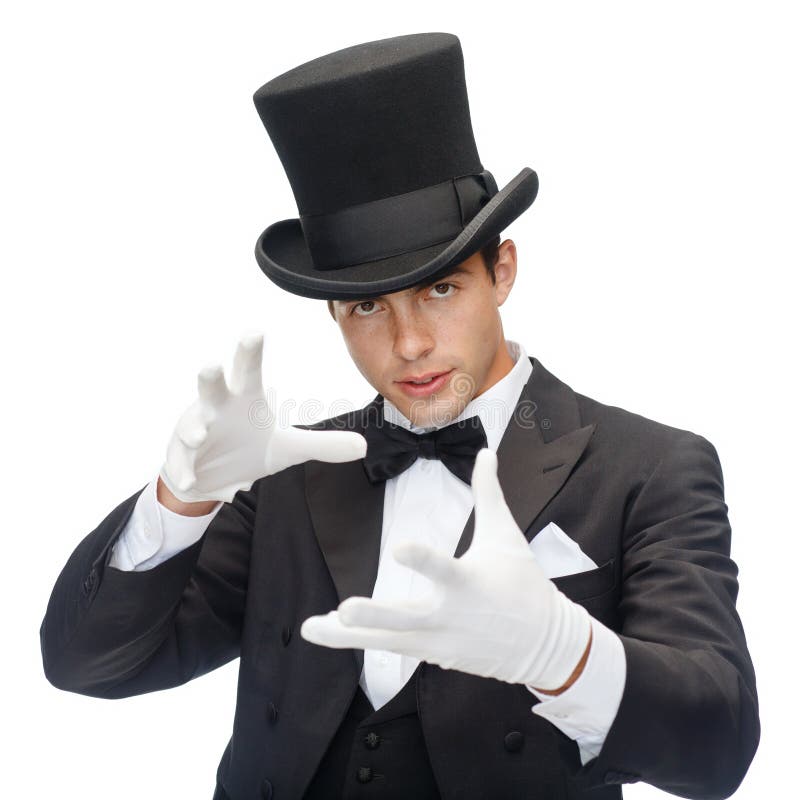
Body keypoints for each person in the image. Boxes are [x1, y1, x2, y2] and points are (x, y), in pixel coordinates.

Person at [40, 32, 759, 800]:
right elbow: (88, 664)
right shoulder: (286, 471)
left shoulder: (650, 467)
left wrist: (564, 653)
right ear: (333, 314)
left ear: (502, 272)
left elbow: (717, 750)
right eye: (367, 307)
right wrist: (181, 501)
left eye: (441, 290)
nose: (409, 343)